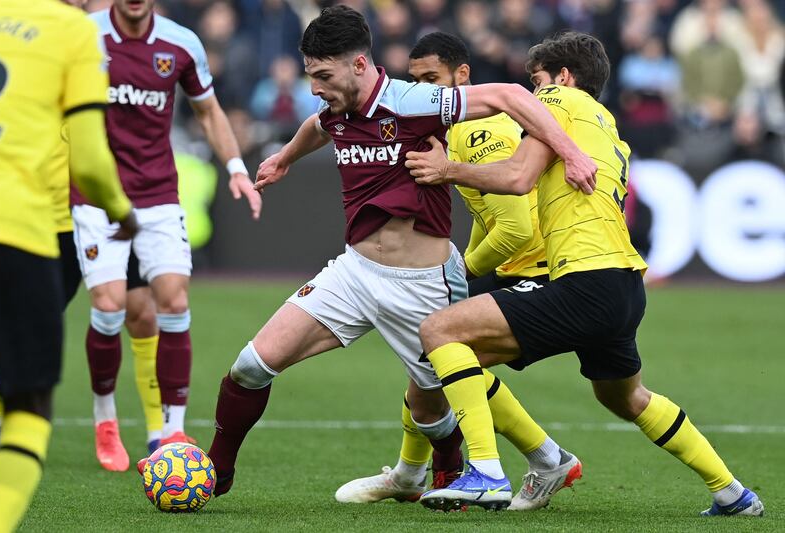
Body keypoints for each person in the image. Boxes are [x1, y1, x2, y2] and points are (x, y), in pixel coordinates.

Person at [186, 5, 595, 499]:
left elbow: (509, 95)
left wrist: (571, 152)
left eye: (322, 74)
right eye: (310, 74)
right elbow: (319, 126)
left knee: (434, 407)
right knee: (251, 365)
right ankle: (216, 472)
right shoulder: (336, 110)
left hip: (424, 283)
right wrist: (285, 158)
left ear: (359, 65)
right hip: (354, 273)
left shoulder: (412, 101)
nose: (314, 86)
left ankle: (470, 466)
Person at [406, 32, 765, 517]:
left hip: (584, 280)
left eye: (536, 83)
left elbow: (517, 177)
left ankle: (487, 473)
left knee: (440, 331)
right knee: (628, 398)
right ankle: (731, 492)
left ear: (563, 78)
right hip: (624, 284)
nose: (531, 96)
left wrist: (447, 169)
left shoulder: (558, 100)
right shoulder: (607, 124)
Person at [334, 32, 581, 510]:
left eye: (433, 79)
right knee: (430, 361)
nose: (423, 88)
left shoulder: (470, 129)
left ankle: (469, 468)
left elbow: (512, 227)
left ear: (462, 77)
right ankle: (419, 472)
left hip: (531, 268)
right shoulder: (441, 126)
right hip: (525, 264)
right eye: (416, 79)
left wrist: (460, 273)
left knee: (438, 351)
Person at [74, 0, 262, 472]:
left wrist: (236, 167)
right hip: (96, 193)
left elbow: (209, 111)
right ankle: (106, 422)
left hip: (157, 193)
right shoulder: (83, 35)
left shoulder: (181, 43)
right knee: (110, 304)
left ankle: (170, 431)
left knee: (174, 304)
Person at [0, 0, 138, 529]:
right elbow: (92, 160)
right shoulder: (72, 32)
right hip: (15, 230)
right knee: (28, 414)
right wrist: (122, 212)